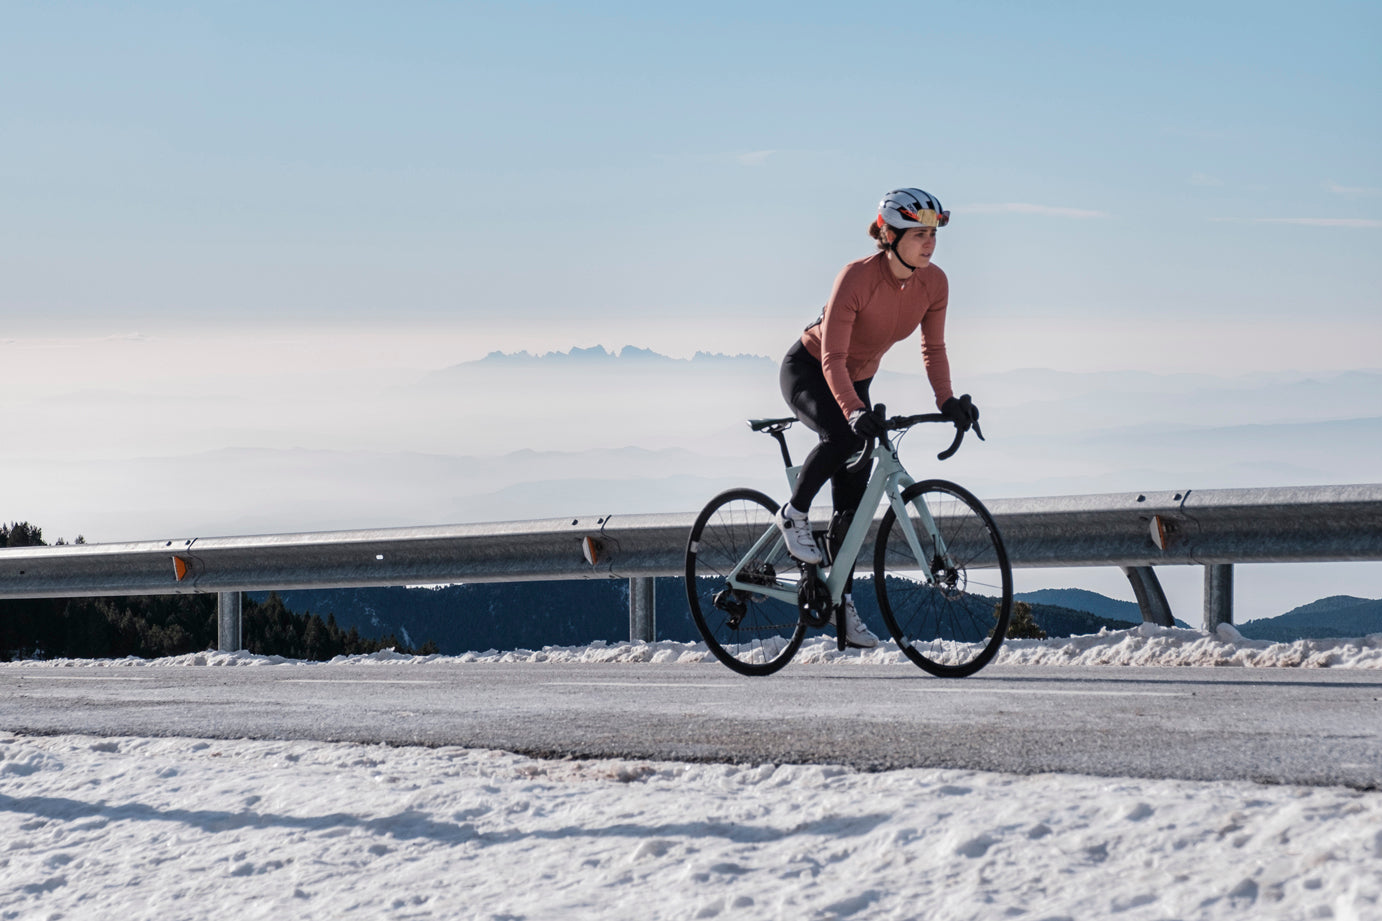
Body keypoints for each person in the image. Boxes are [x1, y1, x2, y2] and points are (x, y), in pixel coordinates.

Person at [774, 187, 981, 648]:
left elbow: (934, 348)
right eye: (918, 234)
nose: (929, 243)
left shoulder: (934, 284)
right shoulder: (856, 277)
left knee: (851, 507)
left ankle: (839, 601)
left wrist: (947, 401)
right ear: (890, 235)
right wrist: (851, 413)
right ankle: (794, 513)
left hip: (858, 381)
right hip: (810, 370)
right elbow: (832, 356)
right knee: (844, 440)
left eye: (933, 234)